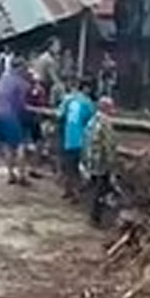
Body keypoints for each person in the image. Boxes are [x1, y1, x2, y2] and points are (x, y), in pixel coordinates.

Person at [0, 57, 30, 185]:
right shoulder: (21, 83)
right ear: (19, 68)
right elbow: (21, 105)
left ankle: (10, 174)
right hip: (10, 115)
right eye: (24, 68)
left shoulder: (4, 77)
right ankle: (22, 175)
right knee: (19, 145)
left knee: (7, 145)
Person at [57, 78, 96, 198]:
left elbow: (60, 115)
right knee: (78, 167)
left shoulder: (68, 99)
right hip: (82, 139)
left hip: (67, 136)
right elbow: (92, 122)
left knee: (67, 165)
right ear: (86, 89)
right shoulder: (89, 103)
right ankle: (77, 192)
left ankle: (68, 189)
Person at [83, 96, 118, 226]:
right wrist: (111, 163)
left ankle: (95, 212)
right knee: (101, 189)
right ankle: (95, 217)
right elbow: (108, 145)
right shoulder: (105, 123)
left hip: (91, 160)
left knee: (96, 187)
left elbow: (86, 140)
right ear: (106, 108)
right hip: (101, 162)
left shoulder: (92, 121)